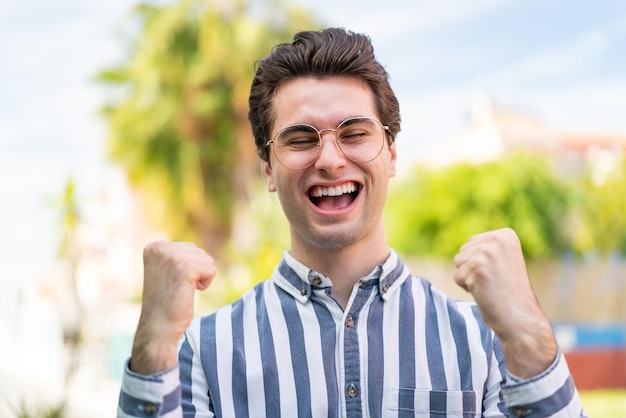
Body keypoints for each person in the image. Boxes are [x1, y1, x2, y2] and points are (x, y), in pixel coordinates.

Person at [117, 27, 586, 417]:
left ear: (392, 153)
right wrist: (153, 349)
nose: (330, 160)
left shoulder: (483, 337)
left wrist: (527, 332)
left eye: (355, 133)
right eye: (300, 139)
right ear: (268, 171)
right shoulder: (205, 350)